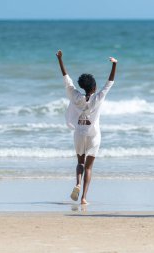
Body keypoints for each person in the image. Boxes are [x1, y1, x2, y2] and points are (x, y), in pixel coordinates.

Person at [56, 50, 117, 205]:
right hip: (93, 135)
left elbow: (66, 79)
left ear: (82, 87)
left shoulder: (75, 96)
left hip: (79, 133)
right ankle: (83, 198)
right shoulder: (98, 98)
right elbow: (110, 82)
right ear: (94, 87)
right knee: (89, 168)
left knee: (80, 163)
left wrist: (60, 59)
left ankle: (77, 182)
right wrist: (114, 65)